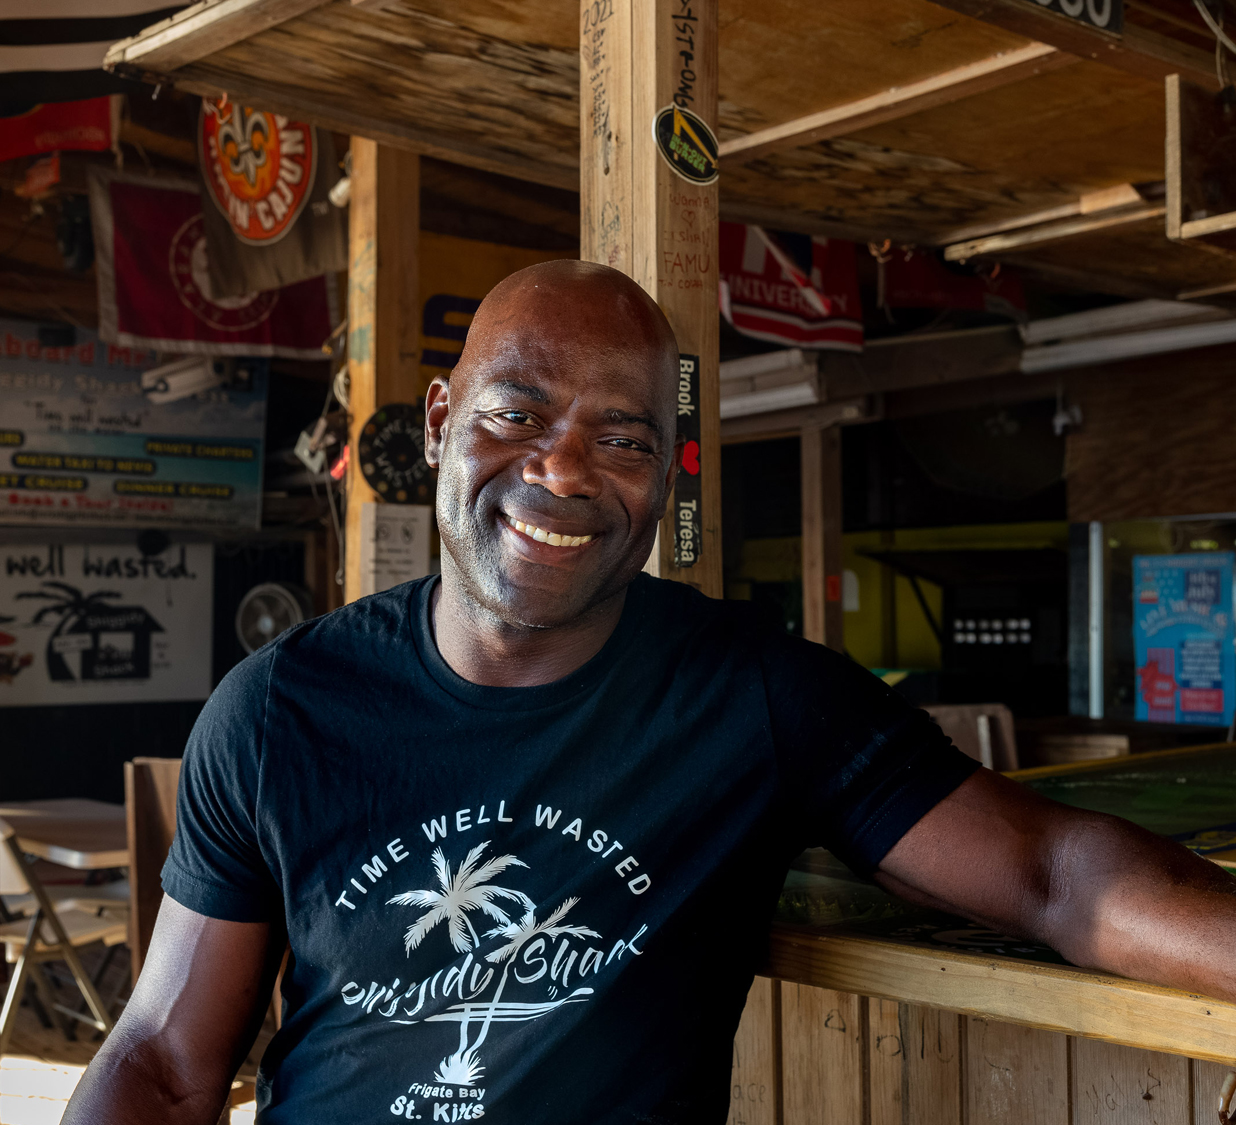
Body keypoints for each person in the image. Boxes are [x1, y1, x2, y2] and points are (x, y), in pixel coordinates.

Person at [65, 261, 1236, 1125]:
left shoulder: (758, 698)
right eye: (517, 414)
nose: (563, 470)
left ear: (663, 476)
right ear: (440, 425)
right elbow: (166, 1064)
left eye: (622, 440)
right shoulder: (276, 713)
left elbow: (1054, 877)